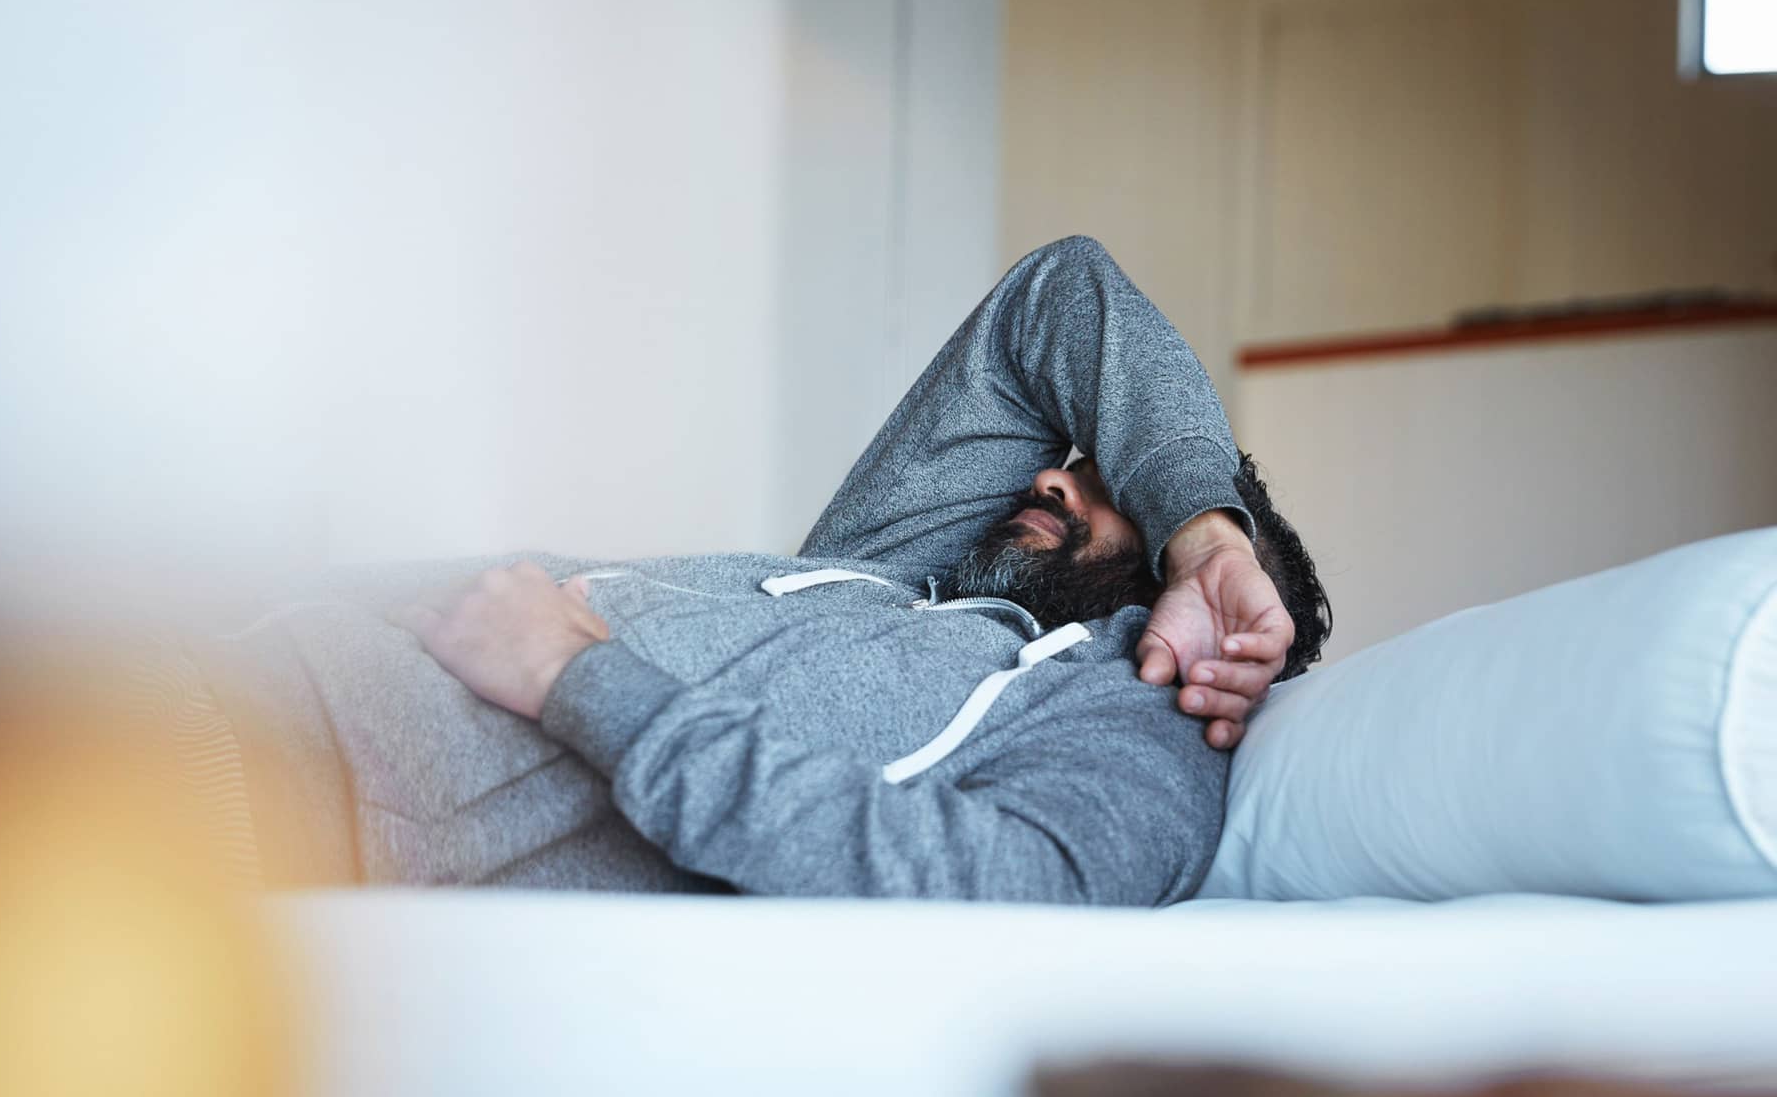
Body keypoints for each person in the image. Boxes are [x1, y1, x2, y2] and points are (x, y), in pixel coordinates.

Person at [191, 236, 1331, 900]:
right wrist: (1199, 525)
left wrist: (573, 675)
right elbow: (1059, 292)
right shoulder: (903, 581)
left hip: (287, 782)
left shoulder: (1130, 738)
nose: (1050, 483)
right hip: (239, 654)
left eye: (1105, 492)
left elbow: (969, 882)